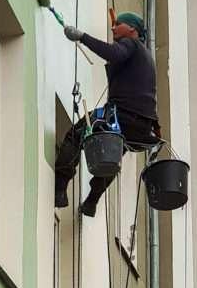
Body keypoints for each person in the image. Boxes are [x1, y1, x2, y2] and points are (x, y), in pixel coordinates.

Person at [55, 12, 160, 217]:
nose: (113, 28)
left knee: (76, 135)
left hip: (121, 116)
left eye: (117, 24)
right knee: (110, 157)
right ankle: (92, 202)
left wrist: (82, 37)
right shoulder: (146, 59)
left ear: (132, 29)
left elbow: (114, 54)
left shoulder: (131, 45)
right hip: (140, 127)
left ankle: (59, 188)